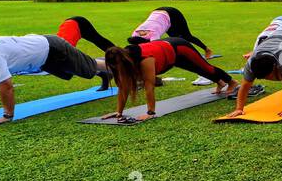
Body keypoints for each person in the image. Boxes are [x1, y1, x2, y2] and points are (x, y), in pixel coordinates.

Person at [0, 18, 112, 127]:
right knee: (76, 71)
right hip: (41, 59)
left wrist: (7, 116)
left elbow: (6, 87)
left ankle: (124, 69)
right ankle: (104, 73)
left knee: (89, 66)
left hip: (53, 48)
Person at [102, 27, 238, 121]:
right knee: (196, 69)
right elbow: (123, 87)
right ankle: (220, 83)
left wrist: (150, 113)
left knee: (205, 68)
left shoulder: (145, 60)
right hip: (165, 55)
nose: (117, 69)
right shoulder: (123, 61)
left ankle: (231, 82)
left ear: (124, 61)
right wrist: (119, 112)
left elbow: (149, 86)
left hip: (178, 47)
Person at [128, 6, 211, 57]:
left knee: (186, 36)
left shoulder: (153, 35)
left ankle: (206, 49)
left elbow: (156, 50)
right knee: (174, 39)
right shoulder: (134, 34)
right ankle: (180, 54)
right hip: (158, 12)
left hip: (172, 13)